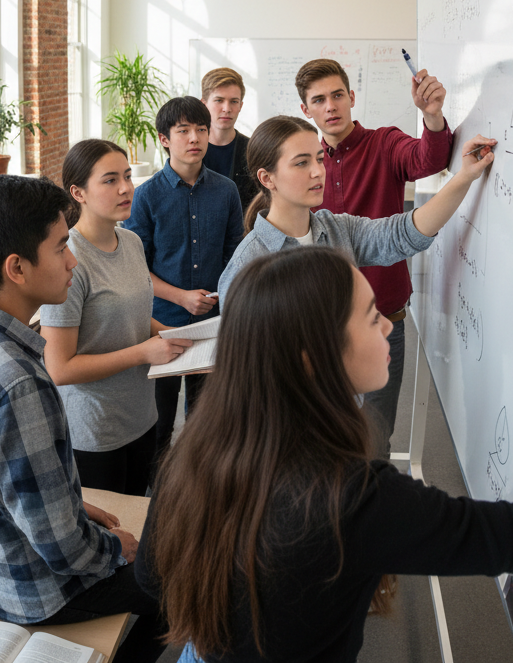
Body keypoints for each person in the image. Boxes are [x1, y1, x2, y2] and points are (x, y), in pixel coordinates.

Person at [138, 247, 513, 663]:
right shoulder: (351, 499)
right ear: (314, 358)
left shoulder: (194, 450)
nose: (388, 329)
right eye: (372, 317)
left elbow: (151, 578)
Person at [0, 175, 165, 663]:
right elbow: (65, 552)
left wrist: (72, 507)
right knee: (179, 582)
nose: (73, 261)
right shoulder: (20, 386)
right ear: (17, 267)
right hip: (32, 591)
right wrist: (110, 546)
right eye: (61, 248)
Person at [295, 56, 454, 455]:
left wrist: (432, 117)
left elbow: (428, 158)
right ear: (306, 110)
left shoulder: (384, 142)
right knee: (320, 436)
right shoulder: (303, 165)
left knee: (374, 438)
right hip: (320, 324)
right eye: (318, 100)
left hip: (384, 319)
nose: (330, 107)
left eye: (336, 96)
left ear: (351, 97)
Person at [40, 139, 193, 495]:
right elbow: (60, 368)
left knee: (137, 521)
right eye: (110, 180)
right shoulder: (69, 261)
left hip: (142, 415)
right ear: (78, 192)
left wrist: (171, 334)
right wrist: (143, 353)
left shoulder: (132, 243)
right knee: (108, 538)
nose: (126, 188)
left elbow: (135, 316)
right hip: (96, 431)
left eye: (127, 176)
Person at [216, 115, 494, 306]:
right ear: (267, 178)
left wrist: (465, 175)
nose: (317, 171)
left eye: (319, 158)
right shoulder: (247, 266)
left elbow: (407, 232)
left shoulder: (338, 230)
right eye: (301, 163)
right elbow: (248, 365)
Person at [125, 96, 243, 461]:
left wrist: (221, 295)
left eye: (201, 130)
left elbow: (235, 254)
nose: (195, 138)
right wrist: (180, 297)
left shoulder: (226, 191)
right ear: (164, 138)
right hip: (161, 324)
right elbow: (134, 268)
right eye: (184, 131)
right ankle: (158, 494)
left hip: (211, 323)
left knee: (206, 421)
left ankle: (197, 489)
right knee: (158, 424)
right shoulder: (144, 197)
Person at [199, 67, 257, 210]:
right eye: (219, 100)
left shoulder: (253, 150)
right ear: (204, 104)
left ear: (240, 106)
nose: (227, 108)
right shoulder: (191, 148)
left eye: (234, 101)